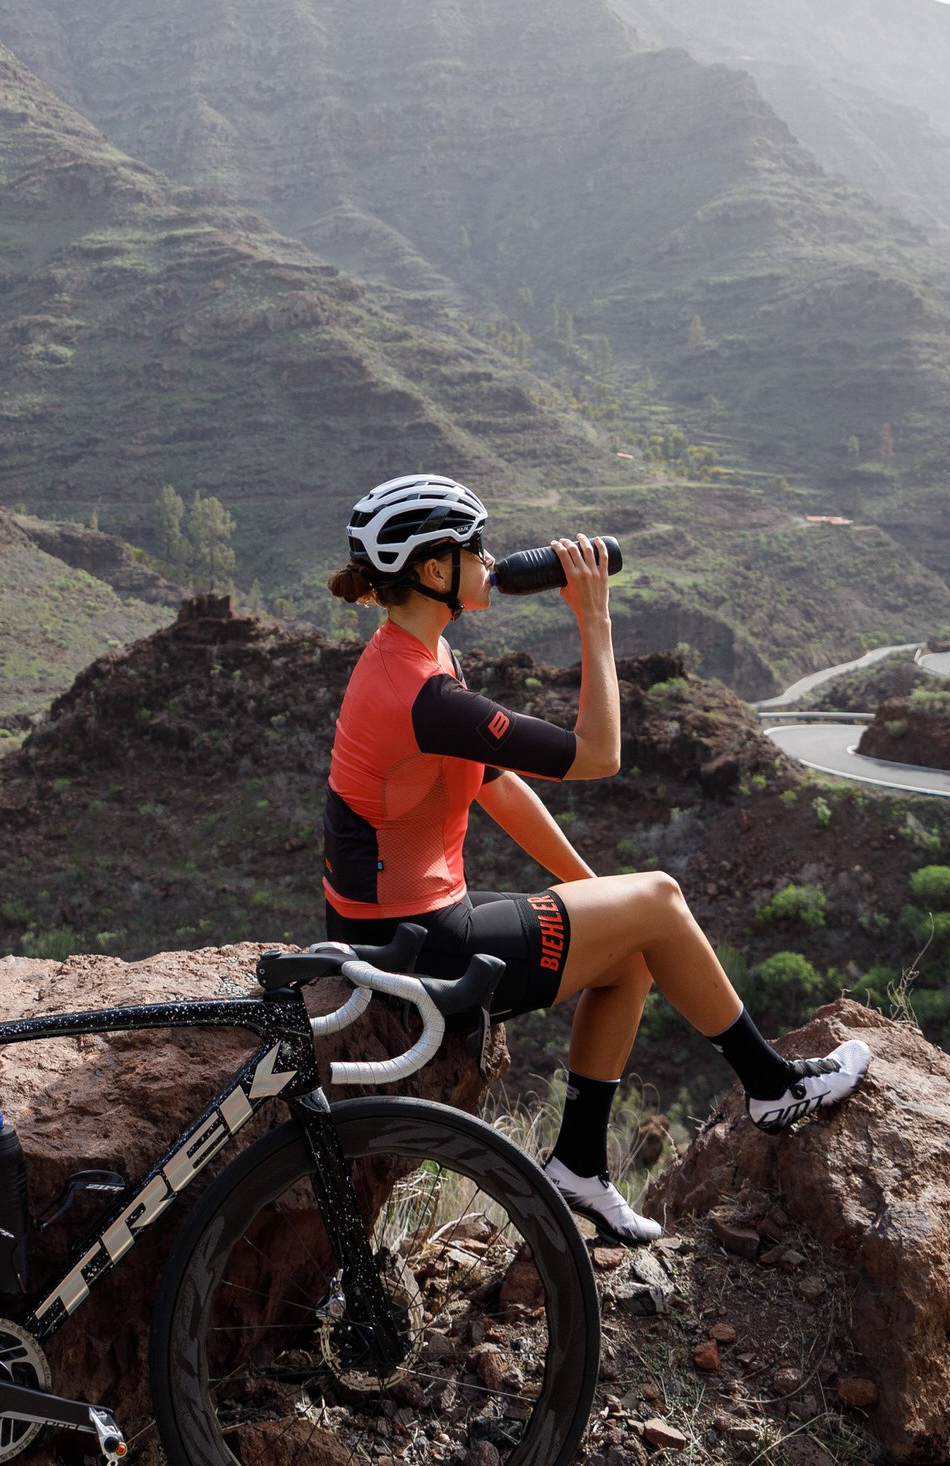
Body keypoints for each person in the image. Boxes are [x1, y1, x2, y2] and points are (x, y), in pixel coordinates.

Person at [323, 474, 870, 1245]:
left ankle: (578, 1165)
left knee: (636, 933)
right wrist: (594, 619)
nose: (488, 558)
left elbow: (496, 786)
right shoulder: (420, 692)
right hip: (417, 948)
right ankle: (773, 1088)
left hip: (403, 927)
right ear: (432, 568)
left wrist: (594, 892)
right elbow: (598, 754)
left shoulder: (414, 656)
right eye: (472, 546)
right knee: (661, 897)